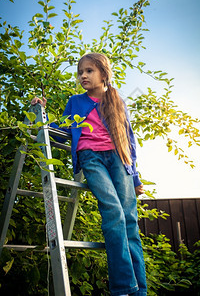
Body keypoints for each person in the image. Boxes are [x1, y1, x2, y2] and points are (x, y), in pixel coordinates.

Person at [31, 53, 147, 296]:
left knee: (130, 220)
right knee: (113, 211)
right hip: (91, 157)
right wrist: (39, 113)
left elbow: (129, 141)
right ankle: (123, 288)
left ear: (104, 74)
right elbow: (60, 131)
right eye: (80, 72)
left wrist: (135, 177)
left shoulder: (118, 102)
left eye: (89, 71)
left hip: (119, 158)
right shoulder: (75, 101)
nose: (83, 75)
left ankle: (140, 290)